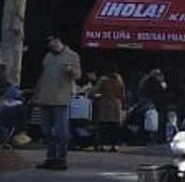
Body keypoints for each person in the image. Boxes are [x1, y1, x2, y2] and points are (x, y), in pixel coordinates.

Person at [32, 36, 82, 170]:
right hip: (45, 98)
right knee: (47, 131)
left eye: (53, 42)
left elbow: (78, 75)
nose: (51, 45)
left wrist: (71, 71)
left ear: (59, 41)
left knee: (61, 131)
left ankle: (61, 158)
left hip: (61, 99)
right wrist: (36, 94)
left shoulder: (72, 56)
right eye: (49, 43)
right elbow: (42, 76)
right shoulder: (48, 57)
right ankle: (50, 157)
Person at [92, 72, 125, 151]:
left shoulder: (103, 80)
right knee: (115, 126)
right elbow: (122, 94)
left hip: (105, 105)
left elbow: (94, 91)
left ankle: (102, 144)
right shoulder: (119, 80)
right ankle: (114, 145)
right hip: (116, 105)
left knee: (104, 126)